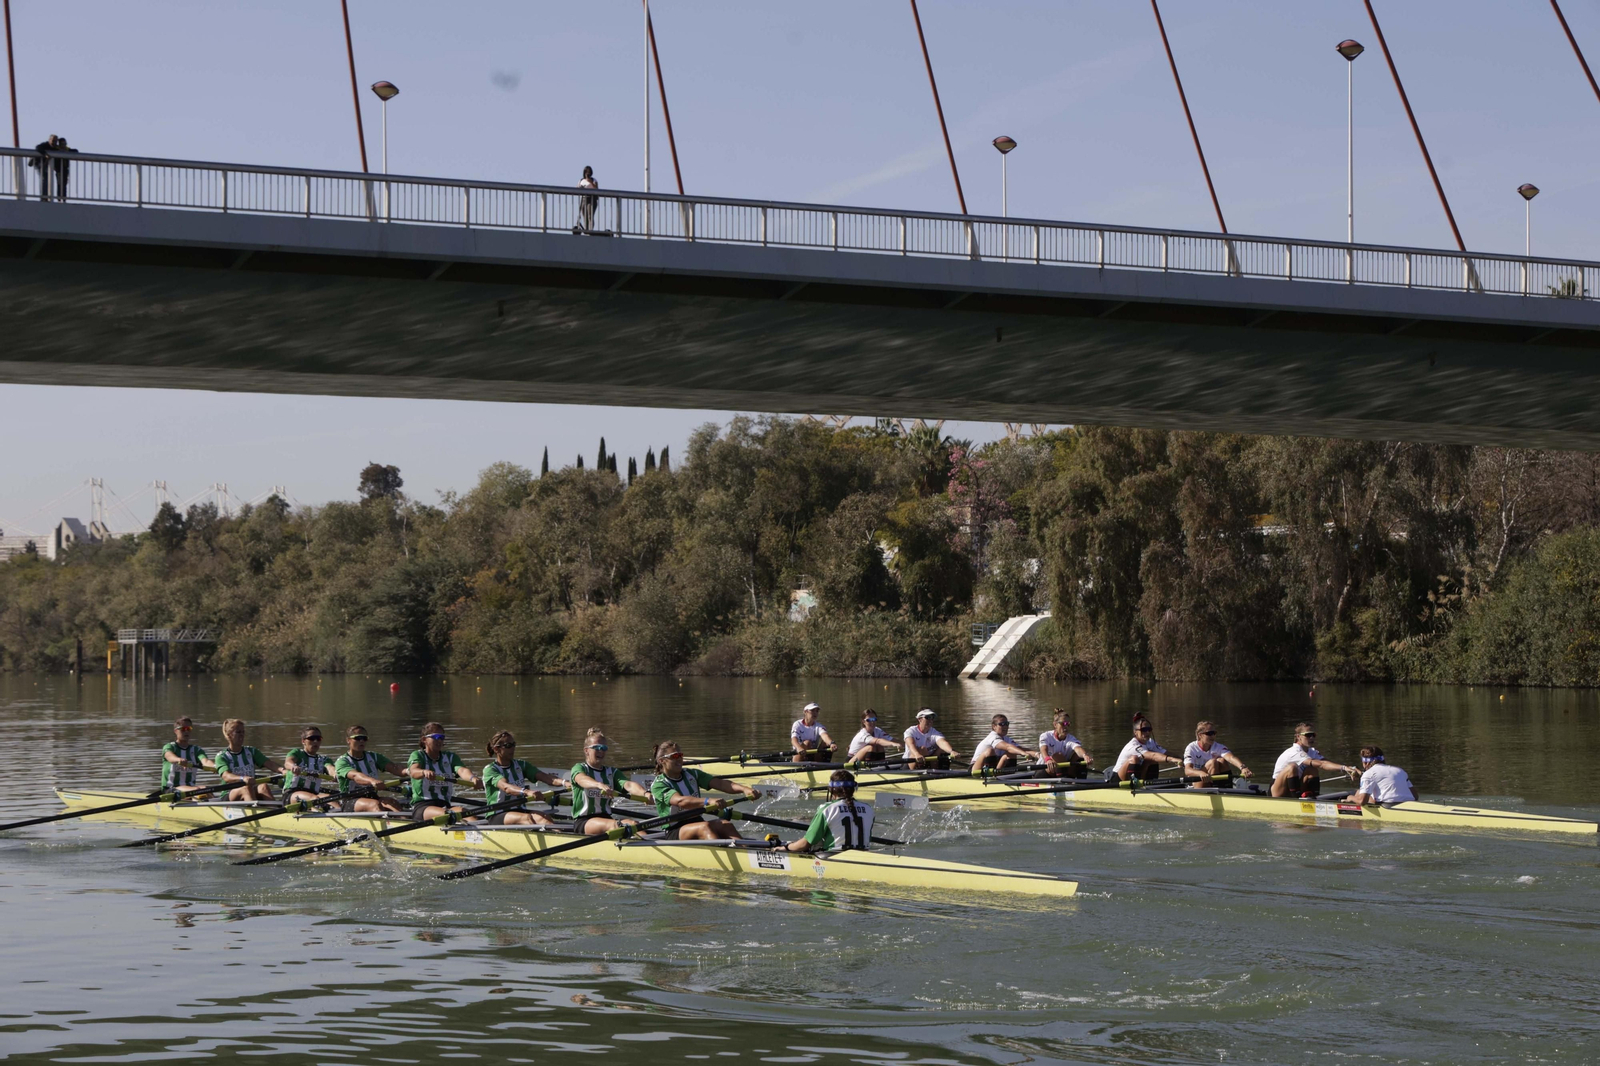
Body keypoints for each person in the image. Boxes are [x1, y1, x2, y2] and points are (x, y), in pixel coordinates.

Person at [649, 740, 761, 841]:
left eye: (681, 755)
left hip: (697, 821)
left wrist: (745, 789)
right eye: (675, 756)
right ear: (662, 761)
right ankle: (723, 853)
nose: (679, 758)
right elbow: (680, 801)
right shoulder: (659, 785)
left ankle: (745, 850)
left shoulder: (692, 774)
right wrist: (708, 801)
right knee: (704, 827)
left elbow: (720, 783)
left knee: (725, 824)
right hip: (675, 830)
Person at [569, 727, 653, 836]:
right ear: (586, 750)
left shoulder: (612, 772)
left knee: (634, 824)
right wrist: (598, 785)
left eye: (604, 748)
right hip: (584, 822)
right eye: (597, 747)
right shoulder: (579, 768)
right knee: (622, 825)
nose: (601, 751)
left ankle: (650, 845)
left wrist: (644, 793)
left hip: (607, 819)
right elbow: (582, 780)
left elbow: (629, 785)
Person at [482, 730, 566, 826]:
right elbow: (506, 787)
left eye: (514, 744)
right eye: (508, 746)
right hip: (497, 814)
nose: (513, 748)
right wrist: (527, 792)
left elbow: (546, 778)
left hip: (520, 810)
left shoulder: (522, 765)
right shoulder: (490, 770)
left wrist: (565, 783)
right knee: (526, 818)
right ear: (496, 749)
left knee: (544, 817)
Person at [404, 722, 482, 822]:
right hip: (423, 807)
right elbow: (413, 771)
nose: (439, 740)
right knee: (447, 815)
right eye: (436, 737)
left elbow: (462, 770)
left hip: (445, 806)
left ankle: (480, 834)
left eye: (442, 737)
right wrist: (424, 772)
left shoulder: (450, 757)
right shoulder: (418, 755)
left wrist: (473, 778)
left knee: (468, 815)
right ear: (424, 740)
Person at [787, 770, 874, 853]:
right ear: (854, 789)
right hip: (863, 856)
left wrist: (786, 847)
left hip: (834, 857)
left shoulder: (827, 809)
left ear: (831, 789)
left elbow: (806, 844)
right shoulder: (868, 809)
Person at [1270, 723, 1357, 798]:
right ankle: (1295, 800)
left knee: (1312, 769)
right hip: (1277, 791)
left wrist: (1349, 769)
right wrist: (1344, 768)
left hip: (1294, 787)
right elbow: (1321, 764)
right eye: (1308, 735)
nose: (1311, 738)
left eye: (1313, 735)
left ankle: (1315, 797)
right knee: (1292, 767)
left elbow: (1326, 763)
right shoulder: (1294, 752)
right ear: (1298, 737)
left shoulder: (1312, 752)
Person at [333, 725, 405, 813]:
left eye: (364, 738)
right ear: (348, 740)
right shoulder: (342, 761)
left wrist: (410, 771)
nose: (362, 741)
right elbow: (356, 776)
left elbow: (395, 769)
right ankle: (386, 824)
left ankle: (407, 823)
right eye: (358, 738)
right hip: (350, 800)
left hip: (372, 796)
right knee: (374, 804)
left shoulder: (374, 756)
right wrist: (372, 781)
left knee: (392, 802)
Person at [213, 718, 281, 801]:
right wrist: (242, 778)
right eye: (238, 732)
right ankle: (255, 810)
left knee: (263, 786)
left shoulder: (251, 751)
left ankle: (273, 810)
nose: (242, 735)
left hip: (250, 788)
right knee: (245, 789)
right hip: (230, 793)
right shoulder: (221, 756)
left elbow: (270, 764)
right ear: (229, 735)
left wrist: (283, 770)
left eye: (243, 732)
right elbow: (226, 776)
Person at [1182, 721, 1253, 788]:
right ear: (1200, 735)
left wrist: (1243, 768)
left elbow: (1231, 757)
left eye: (1214, 733)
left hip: (1212, 780)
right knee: (1213, 762)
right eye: (1209, 733)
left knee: (1222, 760)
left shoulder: (1218, 746)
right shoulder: (1191, 748)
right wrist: (1200, 773)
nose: (1213, 736)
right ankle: (1215, 791)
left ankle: (1227, 788)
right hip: (1196, 782)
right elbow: (1187, 770)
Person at [1113, 714, 1183, 782]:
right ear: (1135, 732)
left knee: (1151, 761)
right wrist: (1172, 759)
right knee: (1134, 758)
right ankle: (1133, 785)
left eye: (1149, 729)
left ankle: (1150, 783)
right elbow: (1153, 755)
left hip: (1136, 775)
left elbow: (1165, 753)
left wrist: (1181, 759)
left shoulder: (1150, 742)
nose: (1147, 732)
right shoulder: (1132, 746)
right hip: (1117, 779)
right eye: (1143, 730)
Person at [283, 726, 335, 805]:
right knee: (314, 799)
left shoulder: (324, 759)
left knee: (333, 800)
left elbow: (330, 768)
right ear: (303, 741)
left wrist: (335, 774)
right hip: (292, 793)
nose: (315, 741)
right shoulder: (297, 753)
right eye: (311, 738)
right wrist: (293, 766)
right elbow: (288, 762)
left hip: (314, 794)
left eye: (318, 739)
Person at [161, 716, 212, 794]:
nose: (186, 731)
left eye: (189, 729)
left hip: (191, 789)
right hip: (170, 790)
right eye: (183, 729)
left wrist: (216, 767)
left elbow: (206, 762)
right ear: (175, 731)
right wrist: (179, 760)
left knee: (207, 789)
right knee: (197, 790)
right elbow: (169, 756)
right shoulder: (170, 747)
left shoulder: (196, 750)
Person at [1352, 746, 1418, 806]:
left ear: (1367, 763)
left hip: (1387, 806)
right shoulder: (1400, 771)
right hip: (1409, 804)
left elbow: (1361, 802)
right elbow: (1415, 796)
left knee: (1358, 793)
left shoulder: (1369, 773)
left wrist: (1350, 798)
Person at [1037, 709, 1094, 778]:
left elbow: (1078, 749)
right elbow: (1043, 749)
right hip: (1043, 771)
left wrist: (1085, 756)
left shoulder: (1071, 739)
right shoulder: (1046, 736)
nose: (1066, 727)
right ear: (1055, 724)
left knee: (1078, 756)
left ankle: (1081, 782)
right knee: (1058, 756)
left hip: (1062, 771)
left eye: (1068, 724)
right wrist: (1047, 759)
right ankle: (1065, 783)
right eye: (1063, 724)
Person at [29, 134, 58, 200]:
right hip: (38, 163)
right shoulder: (45, 145)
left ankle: (46, 196)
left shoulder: (56, 148)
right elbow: (37, 148)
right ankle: (44, 197)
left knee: (46, 178)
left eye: (56, 141)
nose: (54, 143)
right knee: (44, 177)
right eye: (53, 141)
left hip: (46, 164)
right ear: (49, 140)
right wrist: (45, 154)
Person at [575, 165, 599, 233]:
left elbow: (596, 188)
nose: (587, 174)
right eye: (586, 172)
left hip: (592, 199)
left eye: (589, 172)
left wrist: (590, 182)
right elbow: (577, 188)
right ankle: (586, 229)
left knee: (590, 215)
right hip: (584, 199)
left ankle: (590, 230)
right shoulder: (581, 180)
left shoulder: (594, 180)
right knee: (584, 215)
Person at [54, 137, 77, 201]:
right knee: (59, 183)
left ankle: (64, 198)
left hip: (65, 169)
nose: (64, 145)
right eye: (62, 144)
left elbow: (75, 151)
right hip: (59, 169)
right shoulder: (56, 150)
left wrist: (67, 151)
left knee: (64, 183)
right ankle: (59, 198)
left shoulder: (67, 149)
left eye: (65, 144)